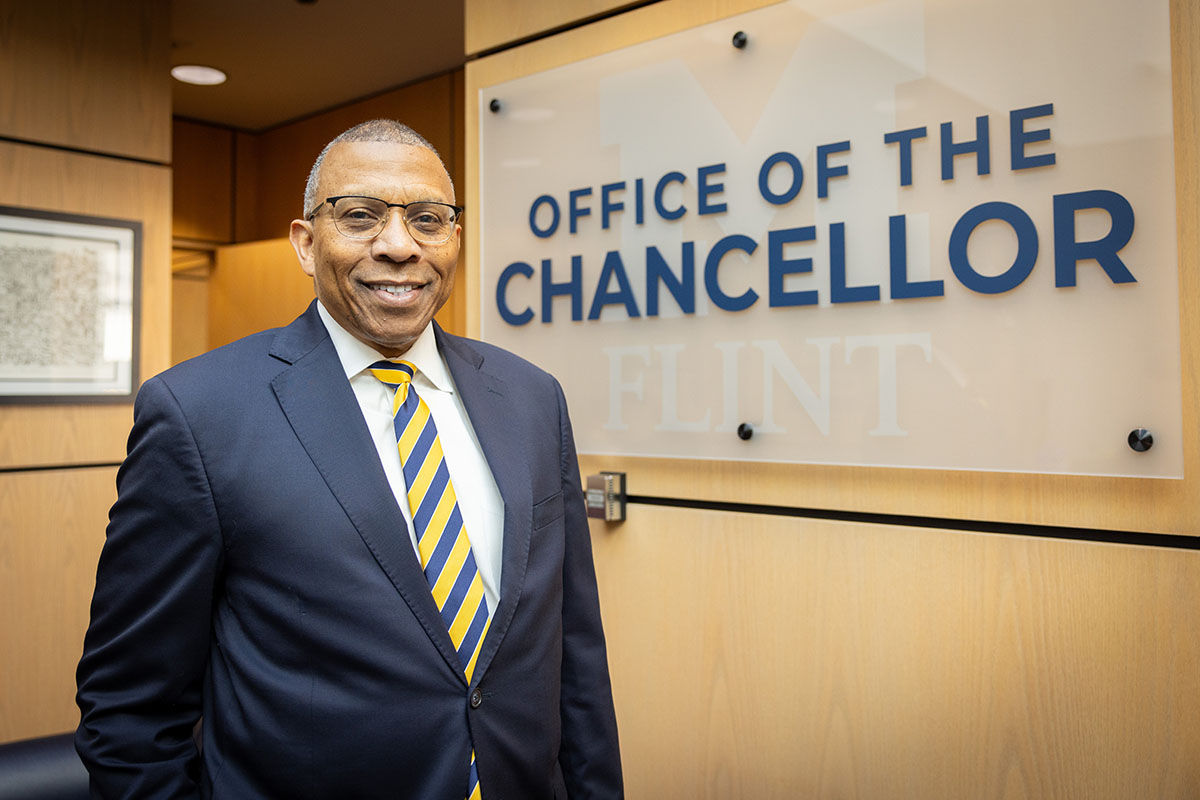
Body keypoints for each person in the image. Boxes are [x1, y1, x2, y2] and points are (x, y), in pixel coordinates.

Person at [75, 119, 623, 799]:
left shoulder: (533, 399)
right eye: (360, 216)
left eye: (428, 219)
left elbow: (575, 661)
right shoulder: (198, 413)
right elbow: (129, 709)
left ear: (454, 239)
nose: (399, 246)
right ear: (305, 243)